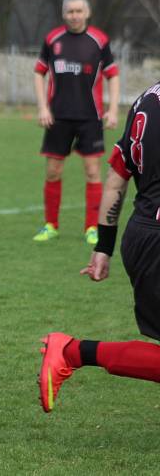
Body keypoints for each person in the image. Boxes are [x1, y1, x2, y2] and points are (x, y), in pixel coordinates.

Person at [38, 80, 160, 413]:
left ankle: (72, 352)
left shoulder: (146, 99)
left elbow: (117, 178)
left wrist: (104, 246)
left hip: (140, 237)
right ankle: (71, 352)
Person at [33, 0, 120, 245]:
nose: (74, 16)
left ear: (87, 13)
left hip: (90, 118)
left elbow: (113, 75)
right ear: (63, 14)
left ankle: (92, 227)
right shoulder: (52, 39)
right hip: (57, 117)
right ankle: (51, 225)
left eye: (79, 11)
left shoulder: (99, 41)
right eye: (70, 11)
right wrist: (42, 107)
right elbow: (38, 73)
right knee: (52, 172)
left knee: (93, 172)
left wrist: (113, 110)